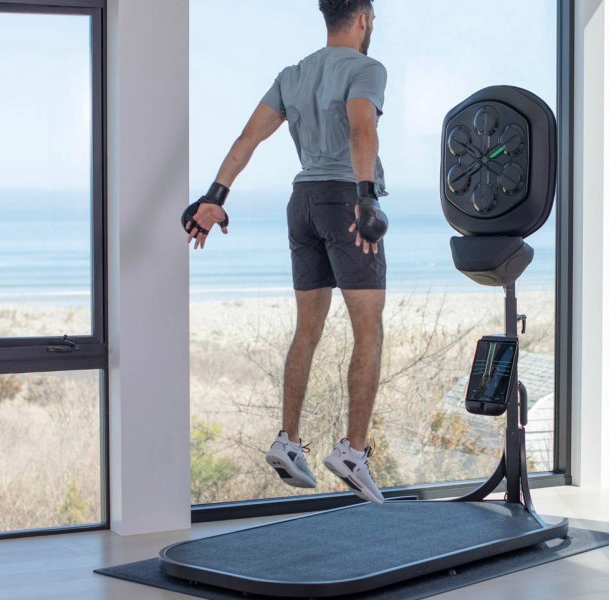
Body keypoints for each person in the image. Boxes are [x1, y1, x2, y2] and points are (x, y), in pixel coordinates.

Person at [182, 0, 389, 504]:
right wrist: (365, 198)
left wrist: (215, 197)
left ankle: (288, 440)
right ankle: (353, 451)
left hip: (303, 205)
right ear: (362, 19)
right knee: (369, 330)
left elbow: (247, 139)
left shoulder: (293, 74)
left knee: (308, 330)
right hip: (344, 201)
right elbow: (362, 128)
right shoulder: (367, 69)